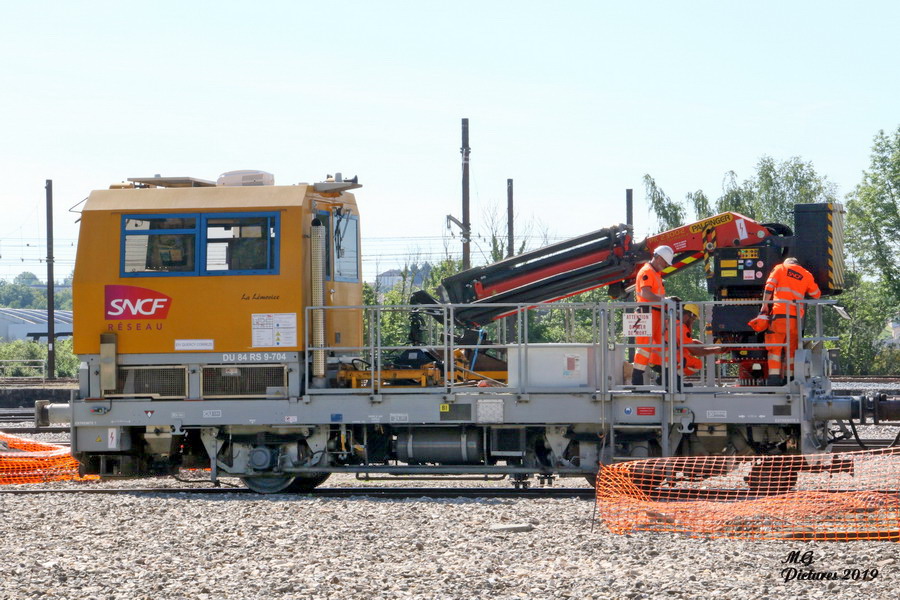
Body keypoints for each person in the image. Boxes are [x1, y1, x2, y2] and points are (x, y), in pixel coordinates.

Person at [760, 257, 821, 385]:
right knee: (792, 350)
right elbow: (816, 294)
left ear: (787, 263)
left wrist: (764, 305)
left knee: (775, 348)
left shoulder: (780, 268)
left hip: (780, 315)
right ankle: (790, 379)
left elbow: (769, 286)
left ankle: (774, 380)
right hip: (796, 319)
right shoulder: (806, 274)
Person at [631, 245, 674, 385]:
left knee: (664, 345)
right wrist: (664, 301)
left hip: (655, 313)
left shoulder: (655, 273)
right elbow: (646, 293)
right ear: (659, 258)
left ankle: (666, 378)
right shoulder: (647, 271)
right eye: (665, 263)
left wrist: (666, 301)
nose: (666, 266)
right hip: (646, 313)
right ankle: (637, 382)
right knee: (644, 348)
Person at [679, 303, 725, 377]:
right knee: (697, 364)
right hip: (667, 359)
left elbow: (685, 341)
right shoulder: (681, 328)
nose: (693, 322)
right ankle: (674, 378)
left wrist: (704, 346)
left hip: (664, 357)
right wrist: (714, 350)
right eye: (693, 320)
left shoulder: (676, 323)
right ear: (689, 316)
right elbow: (695, 352)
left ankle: (673, 377)